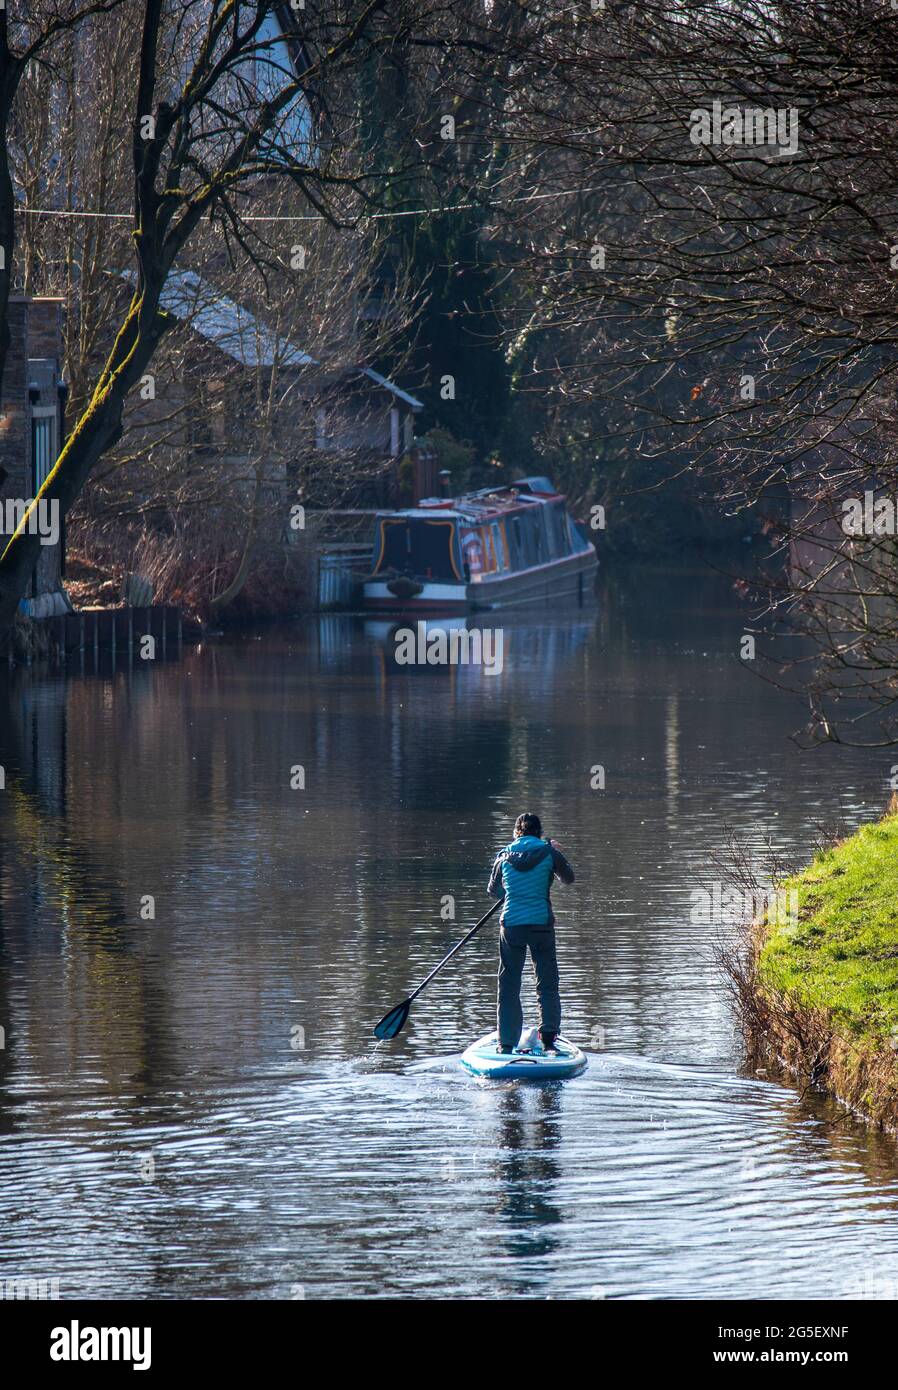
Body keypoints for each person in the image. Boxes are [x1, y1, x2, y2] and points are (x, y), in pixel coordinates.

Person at [487, 812, 575, 1054]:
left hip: (512, 925)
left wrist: (512, 888)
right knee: (547, 983)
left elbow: (493, 891)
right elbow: (568, 879)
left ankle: (506, 1044)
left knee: (508, 984)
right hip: (541, 926)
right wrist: (553, 855)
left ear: (516, 833)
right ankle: (548, 1040)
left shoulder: (503, 854)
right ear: (539, 832)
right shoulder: (549, 852)